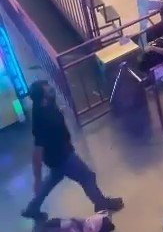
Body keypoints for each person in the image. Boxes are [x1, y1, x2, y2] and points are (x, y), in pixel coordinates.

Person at [21, 80, 123, 222]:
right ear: (43, 96)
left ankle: (32, 208)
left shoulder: (43, 106)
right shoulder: (43, 120)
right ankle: (101, 203)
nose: (52, 89)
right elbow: (37, 151)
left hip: (56, 156)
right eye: (48, 89)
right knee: (87, 177)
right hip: (62, 157)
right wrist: (37, 179)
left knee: (53, 178)